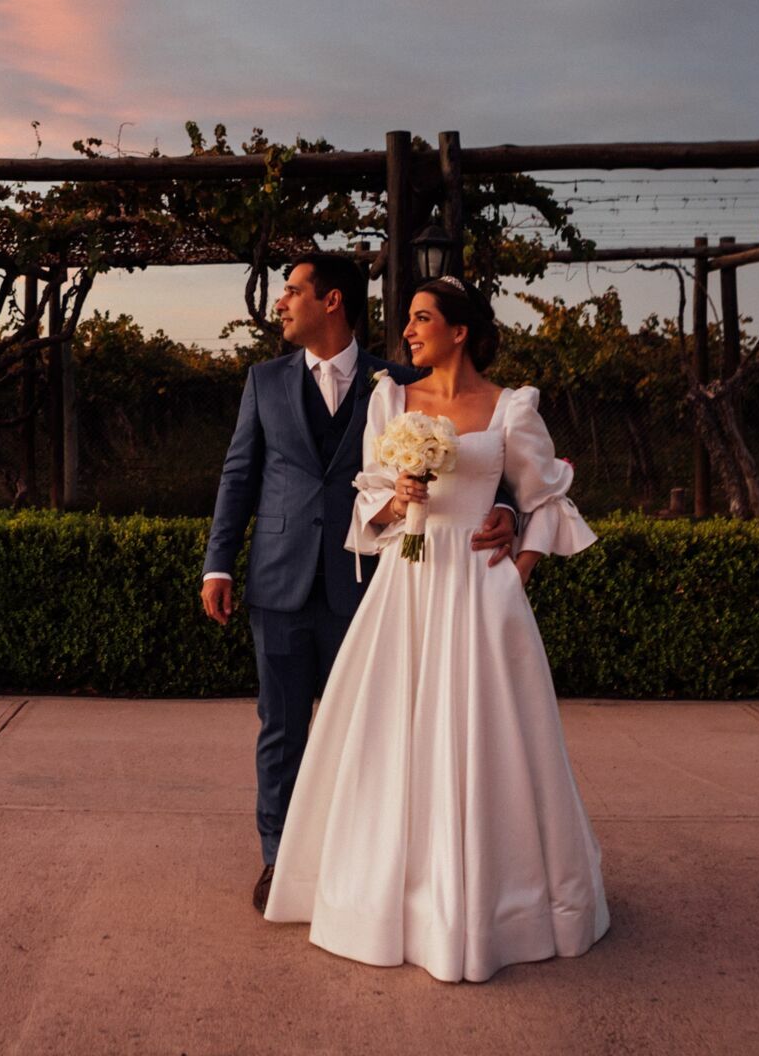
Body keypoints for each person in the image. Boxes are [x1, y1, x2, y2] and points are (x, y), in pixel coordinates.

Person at [261, 275, 609, 984]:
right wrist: (398, 500)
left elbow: (547, 501)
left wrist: (520, 568)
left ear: (461, 330)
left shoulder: (513, 408)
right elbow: (368, 505)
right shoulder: (391, 399)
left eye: (422, 319)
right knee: (394, 739)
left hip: (482, 596)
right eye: (407, 319)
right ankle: (393, 902)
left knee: (486, 744)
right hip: (408, 589)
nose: (408, 331)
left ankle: (490, 906)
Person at [202, 254, 518, 915]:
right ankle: (279, 858)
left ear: (332, 300)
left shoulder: (401, 380)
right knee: (282, 727)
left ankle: (361, 858)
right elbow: (239, 476)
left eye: (292, 291)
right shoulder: (264, 381)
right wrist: (219, 563)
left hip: (373, 585)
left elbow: (487, 440)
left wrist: (508, 508)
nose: (281, 304)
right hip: (279, 580)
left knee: (373, 730)